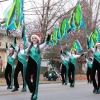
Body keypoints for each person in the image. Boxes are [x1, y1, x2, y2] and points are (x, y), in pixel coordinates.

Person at [25, 32, 52, 100]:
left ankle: (35, 95)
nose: (34, 39)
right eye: (33, 38)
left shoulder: (40, 46)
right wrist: (23, 28)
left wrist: (49, 35)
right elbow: (24, 38)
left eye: (35, 38)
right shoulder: (29, 45)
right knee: (26, 78)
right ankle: (32, 90)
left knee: (35, 80)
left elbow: (47, 42)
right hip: (29, 64)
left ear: (37, 40)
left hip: (36, 65)